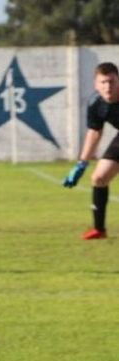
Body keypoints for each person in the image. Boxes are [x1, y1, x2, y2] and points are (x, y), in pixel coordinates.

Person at [63, 62, 119, 240]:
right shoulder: (95, 103)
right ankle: (99, 229)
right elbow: (94, 133)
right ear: (96, 84)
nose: (108, 86)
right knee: (99, 178)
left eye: (112, 81)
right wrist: (81, 164)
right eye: (103, 82)